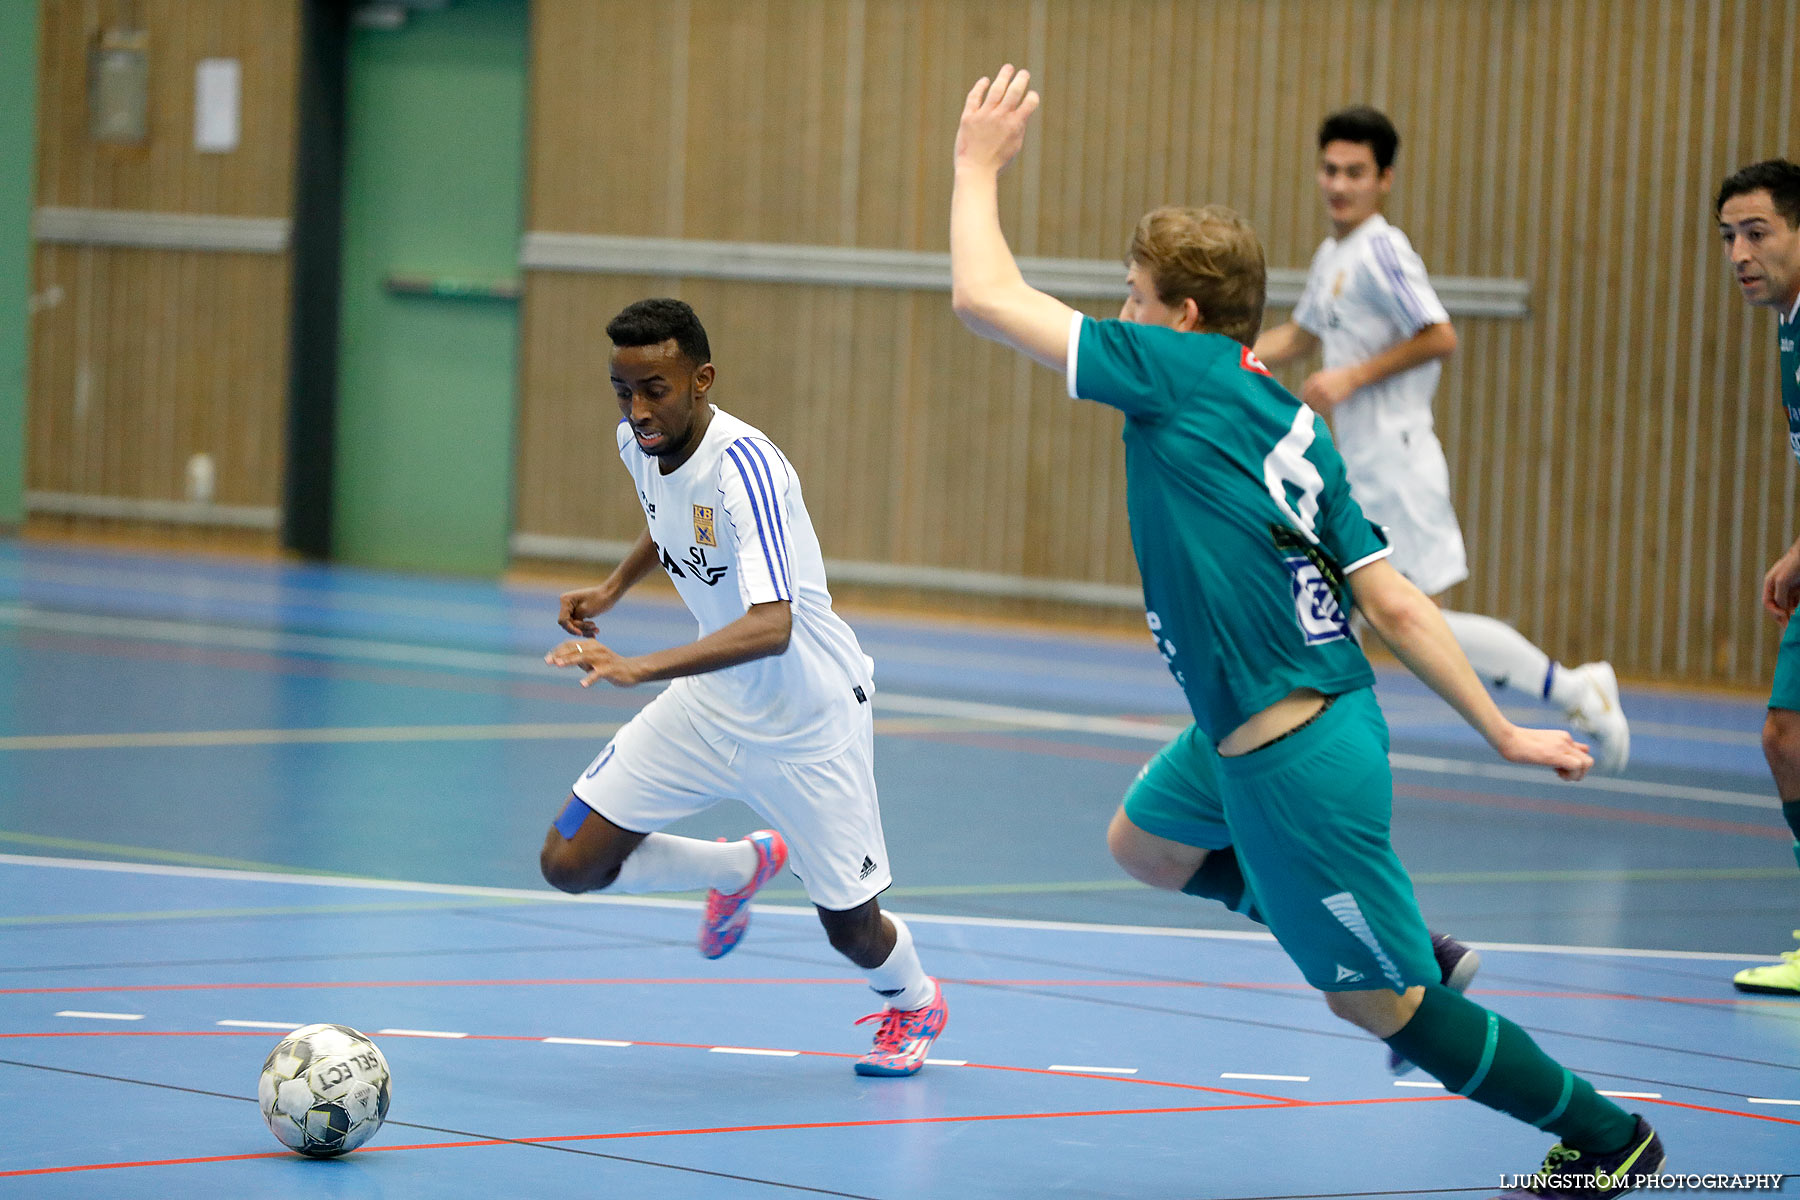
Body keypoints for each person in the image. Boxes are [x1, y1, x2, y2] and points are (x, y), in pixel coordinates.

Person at [948, 65, 1664, 1196]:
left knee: (1375, 1006)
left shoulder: (1173, 373)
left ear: (1182, 316)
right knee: (1143, 844)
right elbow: (1393, 601)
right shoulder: (1289, 420)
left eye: (1133, 295)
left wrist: (976, 165)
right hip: (1258, 723)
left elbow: (984, 298)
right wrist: (1500, 729)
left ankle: (1607, 1138)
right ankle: (1395, 937)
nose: (1120, 314)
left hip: (1293, 760)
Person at [537, 298, 947, 1074]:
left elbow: (772, 625)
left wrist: (637, 666)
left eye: (655, 388)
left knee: (852, 928)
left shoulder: (748, 467)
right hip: (712, 701)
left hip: (808, 720)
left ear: (702, 379)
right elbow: (674, 522)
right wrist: (612, 589)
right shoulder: (639, 442)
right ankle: (739, 867)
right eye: (622, 389)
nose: (638, 408)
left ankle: (915, 1000)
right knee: (570, 863)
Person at [1254, 106, 1631, 772]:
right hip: (1359, 466)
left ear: (1385, 179)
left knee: (1409, 616)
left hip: (1399, 462)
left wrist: (1350, 379)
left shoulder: (1381, 248)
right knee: (1372, 612)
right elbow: (1301, 334)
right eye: (1330, 170)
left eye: (1355, 172)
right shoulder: (1332, 254)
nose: (1338, 184)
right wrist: (1225, 363)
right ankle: (1314, 742)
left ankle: (1571, 686)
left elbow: (1438, 333)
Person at [1716, 159, 1800, 997]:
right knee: (1788, 738)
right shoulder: (1787, 325)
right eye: (1729, 238)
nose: (1740, 253)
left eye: (1757, 233)